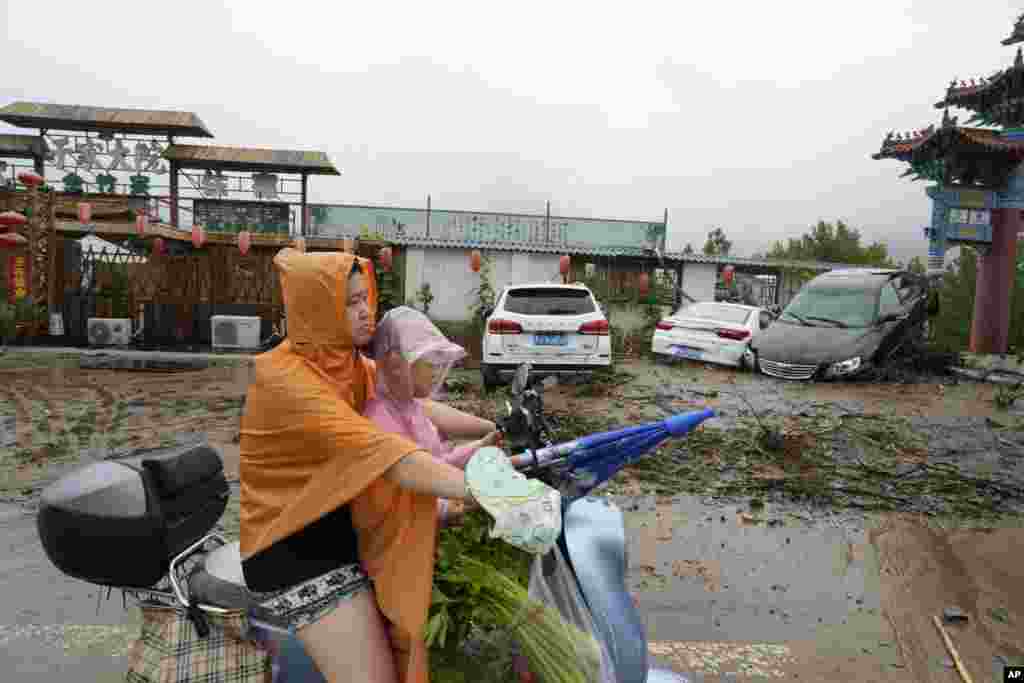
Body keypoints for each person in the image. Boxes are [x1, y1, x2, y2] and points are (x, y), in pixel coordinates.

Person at [238, 249, 496, 683]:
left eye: (365, 298)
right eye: (350, 302)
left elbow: (413, 402)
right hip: (291, 546)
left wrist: (491, 426)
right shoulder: (289, 382)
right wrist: (487, 490)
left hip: (340, 524)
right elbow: (388, 455)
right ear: (318, 309)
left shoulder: (347, 363)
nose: (365, 311)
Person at [353, 306, 500, 679]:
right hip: (396, 553)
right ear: (396, 365)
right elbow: (399, 494)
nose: (436, 371)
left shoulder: (411, 408)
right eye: (428, 362)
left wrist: (483, 447)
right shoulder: (380, 420)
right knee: (408, 643)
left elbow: (438, 464)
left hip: (425, 539)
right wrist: (451, 508)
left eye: (438, 362)